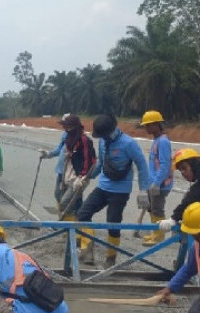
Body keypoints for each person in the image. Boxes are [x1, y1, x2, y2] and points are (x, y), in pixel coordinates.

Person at [77, 114, 149, 268]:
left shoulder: (129, 144)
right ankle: (88, 250)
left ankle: (111, 258)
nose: (103, 138)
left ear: (112, 130)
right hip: (103, 187)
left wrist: (143, 190)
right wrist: (86, 178)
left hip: (120, 192)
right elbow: (100, 164)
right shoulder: (103, 142)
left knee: (113, 224)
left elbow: (142, 166)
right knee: (83, 214)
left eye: (104, 135)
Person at [42, 114, 96, 221]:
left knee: (66, 202)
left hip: (78, 176)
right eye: (64, 126)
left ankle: (72, 226)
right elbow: (61, 150)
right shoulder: (68, 137)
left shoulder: (84, 140)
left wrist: (82, 177)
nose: (65, 129)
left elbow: (88, 160)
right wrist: (48, 154)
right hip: (67, 172)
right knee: (69, 199)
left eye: (67, 126)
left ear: (74, 126)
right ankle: (72, 226)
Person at [139, 111, 173, 246]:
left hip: (161, 184)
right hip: (154, 182)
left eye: (148, 125)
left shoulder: (163, 142)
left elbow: (165, 165)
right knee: (151, 208)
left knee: (157, 209)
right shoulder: (156, 140)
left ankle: (159, 236)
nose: (146, 128)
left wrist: (157, 183)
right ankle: (155, 232)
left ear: (156, 125)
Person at [39, 114, 69, 209]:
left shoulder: (79, 138)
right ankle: (62, 215)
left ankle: (70, 217)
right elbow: (59, 148)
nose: (63, 127)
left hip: (71, 173)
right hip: (61, 171)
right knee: (58, 194)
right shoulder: (65, 134)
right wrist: (48, 154)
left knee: (70, 198)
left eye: (65, 124)